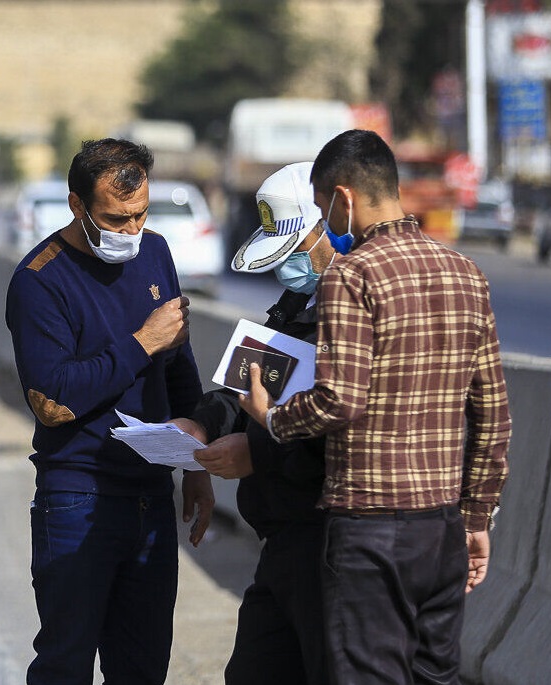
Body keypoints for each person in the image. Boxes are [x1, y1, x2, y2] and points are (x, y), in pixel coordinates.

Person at [238, 130, 511, 685]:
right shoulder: (466, 273)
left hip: (370, 530)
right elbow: (493, 415)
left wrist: (270, 418)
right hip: (441, 531)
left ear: (342, 198)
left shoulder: (351, 274)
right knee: (433, 675)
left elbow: (341, 399)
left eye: (322, 208)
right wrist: (476, 516)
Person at [5, 138, 214, 685]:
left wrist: (196, 466)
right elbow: (52, 401)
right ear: (77, 206)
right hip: (77, 498)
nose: (130, 231)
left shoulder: (157, 252)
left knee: (143, 667)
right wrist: (140, 342)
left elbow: (178, 364)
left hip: (150, 497)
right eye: (115, 219)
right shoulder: (39, 280)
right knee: (65, 663)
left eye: (140, 215)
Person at [173, 162, 336, 685]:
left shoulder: (355, 313)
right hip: (284, 539)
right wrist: (202, 424)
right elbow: (247, 385)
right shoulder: (296, 303)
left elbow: (343, 430)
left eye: (294, 253)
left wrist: (256, 453)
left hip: (331, 542)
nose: (287, 270)